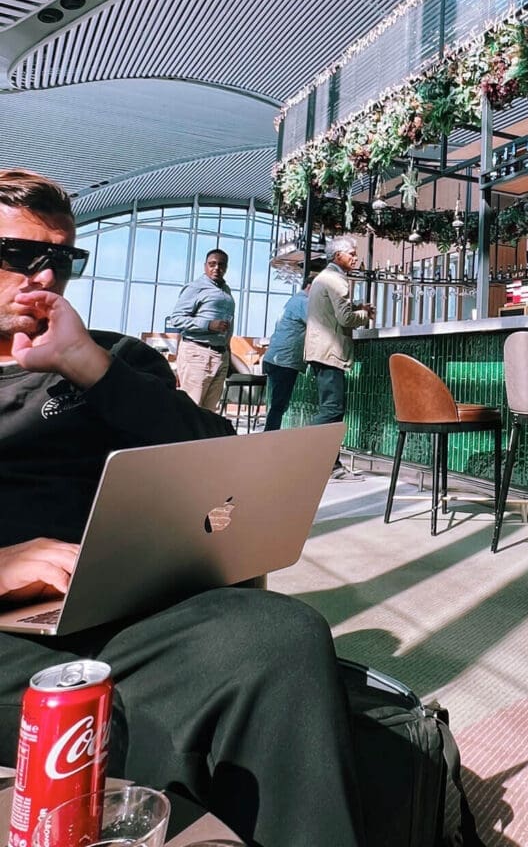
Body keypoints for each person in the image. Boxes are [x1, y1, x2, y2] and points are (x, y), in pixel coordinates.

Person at [0, 169, 365, 847]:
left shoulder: (113, 361)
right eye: (19, 255)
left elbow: (215, 461)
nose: (44, 277)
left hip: (121, 612)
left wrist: (85, 363)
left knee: (280, 637)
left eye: (62, 260)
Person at [304, 235, 375, 427]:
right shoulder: (337, 280)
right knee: (333, 409)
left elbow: (330, 311)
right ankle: (306, 448)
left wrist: (356, 306)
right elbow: (345, 319)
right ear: (337, 256)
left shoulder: (322, 278)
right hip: (330, 353)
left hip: (319, 352)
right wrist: (365, 315)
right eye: (351, 254)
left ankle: (326, 456)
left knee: (329, 407)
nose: (355, 258)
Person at [168, 248, 236, 410]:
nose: (216, 268)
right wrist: (208, 324)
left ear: (226, 267)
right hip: (197, 353)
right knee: (192, 408)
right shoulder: (195, 288)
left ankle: (205, 437)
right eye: (212, 264)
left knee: (210, 412)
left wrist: (228, 351)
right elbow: (176, 319)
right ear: (205, 266)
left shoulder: (226, 290)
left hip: (220, 355)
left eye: (221, 265)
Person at [262, 269, 320, 431]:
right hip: (284, 360)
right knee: (279, 405)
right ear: (310, 287)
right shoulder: (304, 302)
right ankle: (269, 439)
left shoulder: (294, 301)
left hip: (277, 358)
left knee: (278, 404)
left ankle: (269, 436)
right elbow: (318, 321)